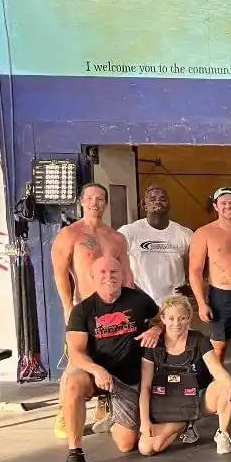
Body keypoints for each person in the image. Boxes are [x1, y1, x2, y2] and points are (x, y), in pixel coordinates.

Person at [57, 256, 162, 462]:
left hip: (129, 378)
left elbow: (162, 318)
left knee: (126, 445)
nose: (109, 277)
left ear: (122, 274)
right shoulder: (83, 310)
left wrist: (156, 329)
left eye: (114, 271)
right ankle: (75, 452)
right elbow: (75, 353)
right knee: (73, 382)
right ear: (92, 277)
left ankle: (111, 416)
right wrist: (96, 370)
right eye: (102, 273)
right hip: (97, 375)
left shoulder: (138, 300)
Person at [50, 183, 134, 435]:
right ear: (82, 201)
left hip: (114, 309)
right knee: (77, 361)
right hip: (84, 308)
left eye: (100, 199)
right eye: (90, 198)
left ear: (105, 204)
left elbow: (127, 275)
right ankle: (64, 413)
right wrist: (67, 306)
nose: (95, 203)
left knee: (111, 356)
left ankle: (104, 405)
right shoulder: (70, 234)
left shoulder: (117, 237)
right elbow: (60, 273)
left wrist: (133, 306)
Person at [138, 295, 231, 456]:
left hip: (196, 399)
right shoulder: (153, 345)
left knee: (224, 387)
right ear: (163, 318)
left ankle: (222, 434)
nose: (176, 323)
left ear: (189, 318)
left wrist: (228, 381)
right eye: (171, 318)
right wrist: (144, 421)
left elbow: (216, 369)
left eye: (182, 318)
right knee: (147, 448)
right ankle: (186, 424)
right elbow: (146, 386)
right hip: (168, 403)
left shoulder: (200, 340)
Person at [189, 186, 231, 366]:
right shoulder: (203, 233)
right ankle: (219, 386)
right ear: (216, 206)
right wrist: (201, 303)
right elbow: (195, 271)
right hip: (220, 295)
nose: (228, 206)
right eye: (223, 203)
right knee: (218, 346)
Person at [118, 185, 193, 305]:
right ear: (144, 205)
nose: (158, 201)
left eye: (163, 199)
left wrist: (191, 284)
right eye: (152, 199)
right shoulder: (128, 232)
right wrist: (127, 285)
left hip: (175, 302)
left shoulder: (185, 234)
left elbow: (198, 264)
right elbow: (115, 261)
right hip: (141, 300)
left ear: (169, 204)